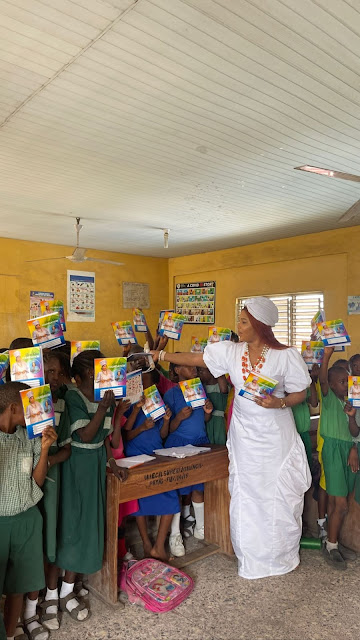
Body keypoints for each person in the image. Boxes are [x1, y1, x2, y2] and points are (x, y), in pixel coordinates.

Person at [151, 297, 312, 579]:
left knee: (277, 494)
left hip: (275, 435)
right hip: (244, 435)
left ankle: (281, 557)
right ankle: (251, 559)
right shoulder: (232, 352)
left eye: (244, 321)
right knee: (246, 495)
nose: (238, 326)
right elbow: (197, 358)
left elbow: (301, 393)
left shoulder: (286, 355)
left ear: (261, 326)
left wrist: (280, 403)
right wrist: (163, 357)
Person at [55, 351, 127, 622]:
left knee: (90, 524)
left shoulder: (103, 396)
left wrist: (113, 463)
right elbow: (84, 434)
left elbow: (105, 438)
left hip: (96, 462)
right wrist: (104, 407)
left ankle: (72, 583)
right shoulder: (74, 396)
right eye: (100, 369)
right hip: (78, 466)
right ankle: (64, 591)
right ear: (87, 374)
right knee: (76, 523)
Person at [0, 382, 57, 640]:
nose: (35, 415)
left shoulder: (30, 436)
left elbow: (38, 481)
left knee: (18, 587)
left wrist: (44, 449)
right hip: (1, 522)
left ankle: (11, 634)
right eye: (29, 409)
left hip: (26, 519)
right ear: (13, 408)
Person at [25, 351, 72, 635]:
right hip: (23, 484)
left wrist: (49, 460)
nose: (53, 379)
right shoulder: (24, 404)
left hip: (51, 480)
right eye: (48, 372)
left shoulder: (63, 403)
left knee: (49, 540)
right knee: (30, 545)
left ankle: (48, 595)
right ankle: (27, 609)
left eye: (57, 373)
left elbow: (66, 448)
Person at [123, 369, 182, 560]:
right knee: (140, 501)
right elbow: (125, 435)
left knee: (171, 497)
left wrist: (165, 420)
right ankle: (148, 545)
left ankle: (158, 546)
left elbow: (163, 434)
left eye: (150, 385)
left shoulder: (158, 402)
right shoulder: (130, 404)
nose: (147, 389)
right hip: (135, 456)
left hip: (156, 454)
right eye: (142, 384)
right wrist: (142, 424)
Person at [163, 364, 213, 546]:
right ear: (177, 371)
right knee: (179, 487)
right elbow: (168, 428)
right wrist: (179, 418)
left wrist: (207, 412)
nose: (194, 369)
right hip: (179, 444)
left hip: (200, 442)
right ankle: (175, 533)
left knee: (198, 486)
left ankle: (201, 527)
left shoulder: (200, 390)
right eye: (188, 366)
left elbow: (203, 419)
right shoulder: (172, 394)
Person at [318, 347, 359, 569]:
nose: (347, 384)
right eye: (342, 381)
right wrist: (326, 355)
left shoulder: (351, 402)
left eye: (349, 379)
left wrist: (352, 416)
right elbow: (323, 378)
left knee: (338, 502)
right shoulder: (329, 398)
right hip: (332, 450)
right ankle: (332, 545)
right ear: (332, 385)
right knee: (341, 504)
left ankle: (330, 540)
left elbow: (354, 432)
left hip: (347, 449)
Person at [198, 366, 228, 445]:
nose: (199, 373)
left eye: (201, 371)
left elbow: (221, 376)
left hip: (219, 423)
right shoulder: (200, 388)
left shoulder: (221, 386)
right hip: (206, 421)